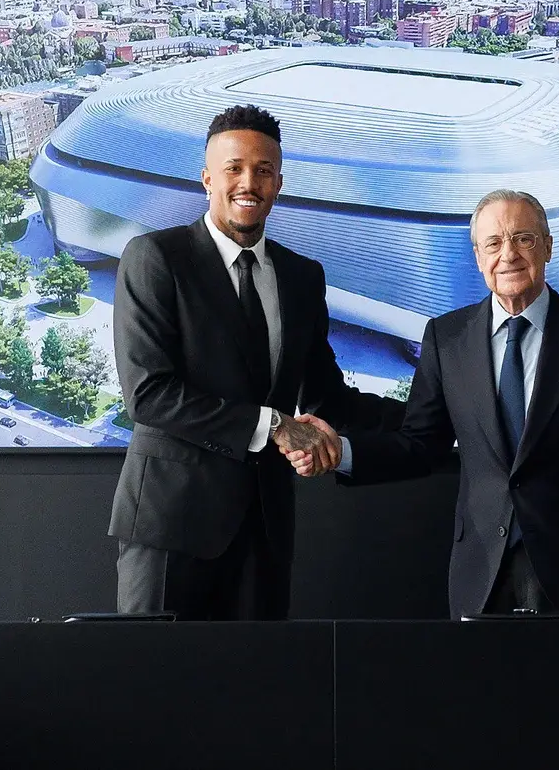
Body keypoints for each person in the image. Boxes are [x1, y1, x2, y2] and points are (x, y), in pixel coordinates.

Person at [284, 189, 559, 620]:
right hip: (480, 573)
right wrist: (340, 452)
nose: (508, 254)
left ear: (548, 246)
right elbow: (421, 444)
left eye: (523, 239)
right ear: (478, 257)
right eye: (493, 243)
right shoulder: (447, 338)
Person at [109, 104, 401, 620]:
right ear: (206, 179)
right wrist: (275, 427)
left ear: (279, 183)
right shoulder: (155, 257)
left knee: (258, 692)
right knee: (156, 689)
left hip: (264, 530)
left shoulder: (301, 276)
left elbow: (326, 397)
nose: (250, 182)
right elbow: (148, 394)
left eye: (264, 170)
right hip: (169, 527)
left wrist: (443, 408)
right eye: (235, 168)